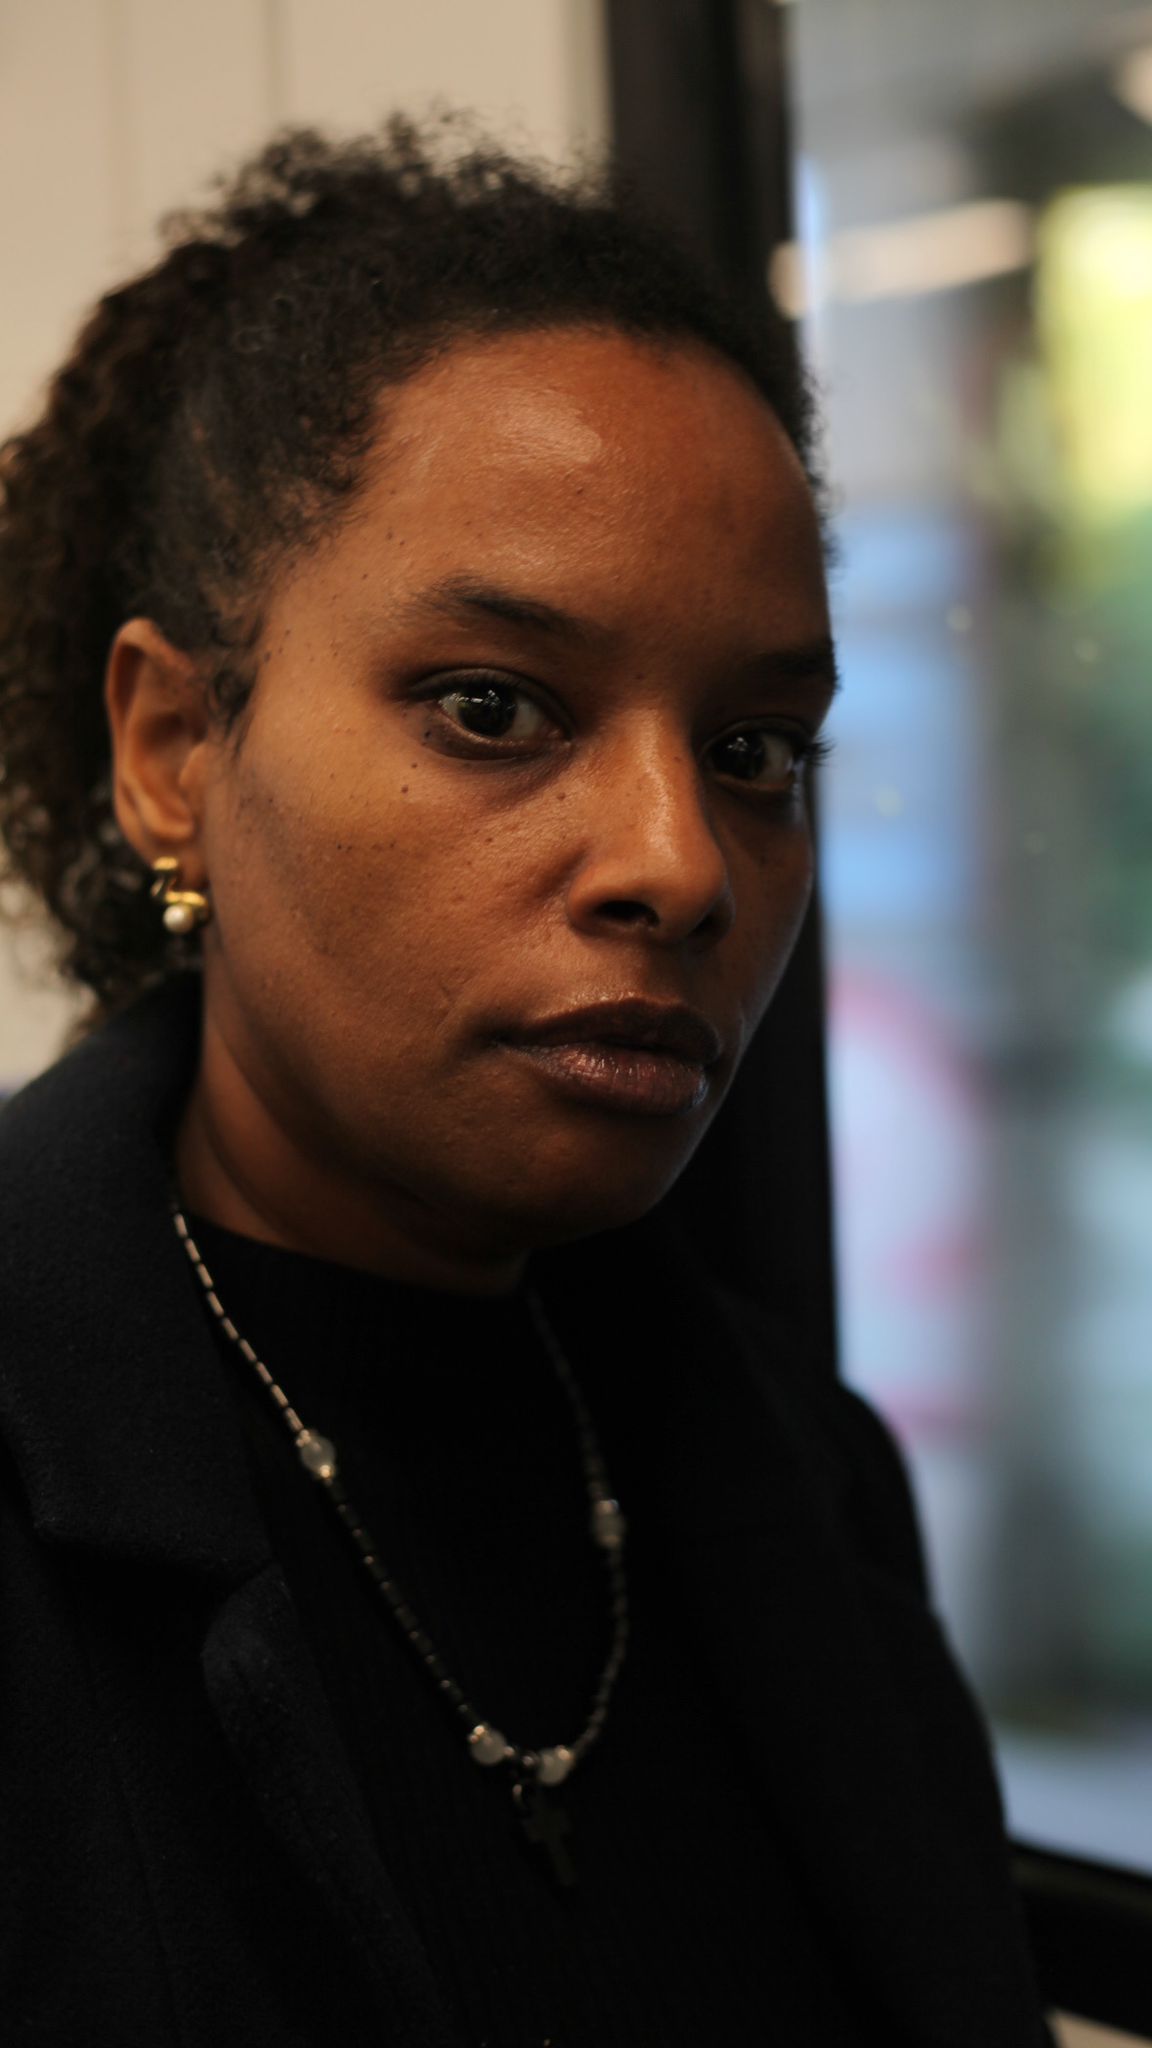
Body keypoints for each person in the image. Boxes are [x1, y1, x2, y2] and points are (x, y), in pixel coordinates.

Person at [0, 117, 1053, 2047]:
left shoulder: (800, 1480)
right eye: (495, 708)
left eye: (756, 749)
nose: (681, 862)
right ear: (173, 753)